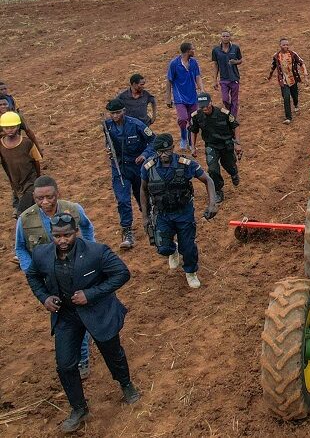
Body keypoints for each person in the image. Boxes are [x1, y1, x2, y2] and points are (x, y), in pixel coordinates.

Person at [25, 213, 139, 433]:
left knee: (112, 352)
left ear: (75, 232)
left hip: (97, 311)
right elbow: (33, 276)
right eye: (57, 236)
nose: (62, 240)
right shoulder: (41, 254)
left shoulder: (96, 252)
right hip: (66, 316)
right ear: (52, 235)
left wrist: (92, 293)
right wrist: (44, 297)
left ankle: (126, 384)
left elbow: (122, 273)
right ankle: (78, 408)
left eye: (67, 235)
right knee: (65, 364)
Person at [16, 175, 95, 379]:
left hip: (75, 271)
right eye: (39, 198)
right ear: (33, 196)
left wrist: (89, 252)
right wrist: (31, 271)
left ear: (57, 194)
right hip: (49, 277)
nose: (45, 203)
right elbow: (21, 248)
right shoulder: (25, 219)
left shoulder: (74, 209)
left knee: (77, 310)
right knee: (64, 314)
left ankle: (82, 358)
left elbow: (86, 227)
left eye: (49, 197)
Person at [140, 133, 218, 289]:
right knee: (163, 248)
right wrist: (145, 217)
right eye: (160, 152)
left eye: (167, 151)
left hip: (183, 212)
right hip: (162, 214)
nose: (163, 155)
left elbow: (207, 180)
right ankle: (172, 250)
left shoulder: (186, 164)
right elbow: (143, 190)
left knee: (188, 247)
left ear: (173, 148)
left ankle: (190, 272)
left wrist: (212, 204)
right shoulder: (148, 167)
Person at [104, 98, 155, 249]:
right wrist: (109, 150)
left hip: (138, 167)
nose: (115, 116)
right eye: (112, 113)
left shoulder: (136, 124)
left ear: (124, 111)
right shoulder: (107, 126)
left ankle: (151, 223)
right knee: (123, 200)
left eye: (118, 112)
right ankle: (127, 232)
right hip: (120, 168)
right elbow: (108, 143)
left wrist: (145, 155)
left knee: (143, 197)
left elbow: (153, 140)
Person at [189, 92, 242, 202]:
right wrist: (193, 147)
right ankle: (218, 190)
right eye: (202, 106)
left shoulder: (223, 113)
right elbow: (193, 131)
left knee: (229, 165)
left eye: (207, 105)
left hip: (226, 144)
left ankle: (234, 173)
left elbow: (235, 126)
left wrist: (237, 143)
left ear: (211, 103)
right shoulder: (196, 116)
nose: (205, 108)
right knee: (212, 169)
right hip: (211, 145)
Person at [0, 111, 42, 217]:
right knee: (29, 208)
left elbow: (36, 161)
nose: (9, 130)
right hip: (15, 182)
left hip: (30, 180)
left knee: (21, 212)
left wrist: (38, 177)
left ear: (18, 126)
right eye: (6, 128)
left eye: (12, 127)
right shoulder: (1, 145)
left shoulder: (27, 143)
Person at [166, 42, 203, 149]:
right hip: (180, 97)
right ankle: (183, 137)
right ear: (188, 51)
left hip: (192, 96)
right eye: (193, 49)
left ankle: (191, 142)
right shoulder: (174, 64)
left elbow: (198, 77)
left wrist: (202, 90)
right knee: (183, 118)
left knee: (193, 120)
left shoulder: (194, 62)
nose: (194, 51)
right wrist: (168, 98)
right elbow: (169, 81)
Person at [268, 38, 309, 125]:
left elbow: (301, 63)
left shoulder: (293, 54)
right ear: (280, 45)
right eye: (284, 45)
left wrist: (305, 73)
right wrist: (269, 76)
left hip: (293, 79)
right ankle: (288, 118)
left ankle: (296, 104)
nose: (286, 46)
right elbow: (273, 66)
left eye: (287, 44)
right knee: (286, 97)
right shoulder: (276, 56)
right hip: (283, 81)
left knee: (295, 95)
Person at [212, 30, 243, 118]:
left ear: (230, 38)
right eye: (223, 36)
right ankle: (230, 111)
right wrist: (214, 80)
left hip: (234, 78)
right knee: (225, 99)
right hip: (223, 79)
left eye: (227, 36)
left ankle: (233, 118)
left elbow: (240, 60)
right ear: (220, 38)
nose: (225, 38)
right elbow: (215, 65)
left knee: (234, 100)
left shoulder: (235, 48)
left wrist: (235, 62)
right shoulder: (216, 50)